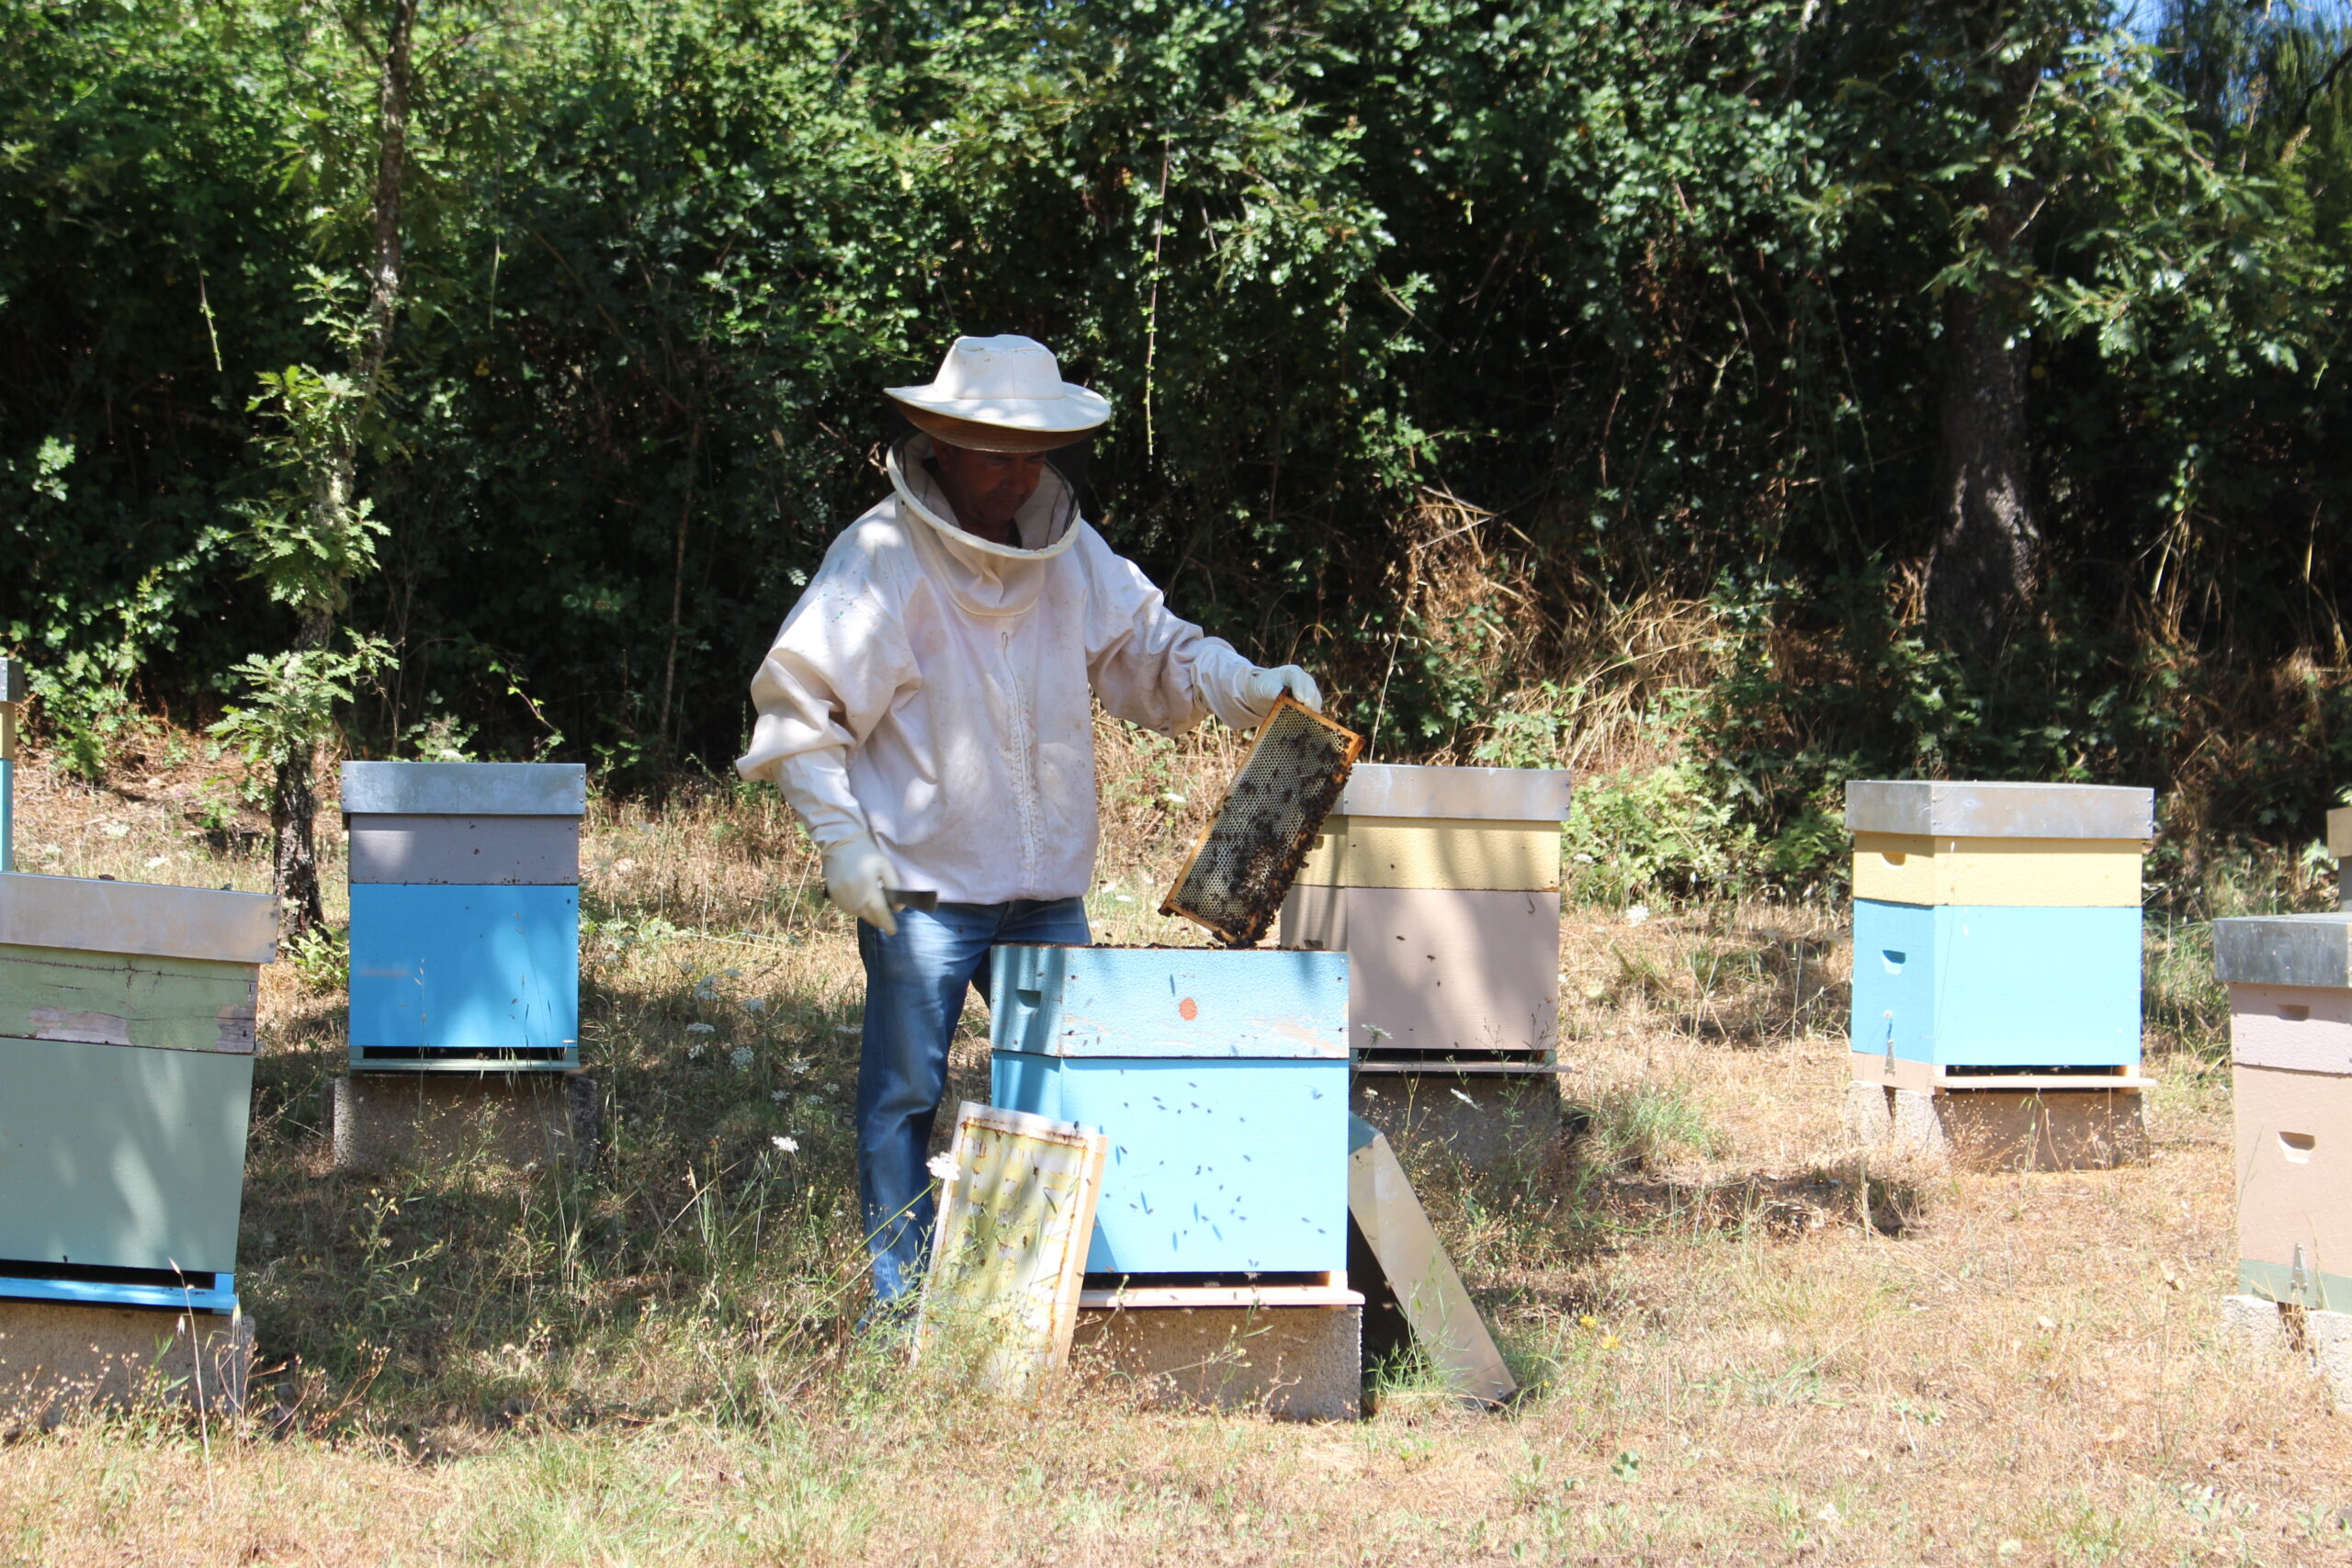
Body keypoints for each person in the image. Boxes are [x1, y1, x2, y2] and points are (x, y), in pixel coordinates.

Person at [735, 334, 1321, 1304]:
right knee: (904, 1097)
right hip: (923, 892)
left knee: (1072, 1086)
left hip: (1045, 896)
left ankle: (1037, 1296)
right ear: (940, 444)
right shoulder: (880, 559)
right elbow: (802, 707)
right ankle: (901, 1301)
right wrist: (842, 840)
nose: (1015, 477)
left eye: (1031, 455)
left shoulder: (1069, 554)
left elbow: (1154, 650)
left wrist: (1247, 684)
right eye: (992, 455)